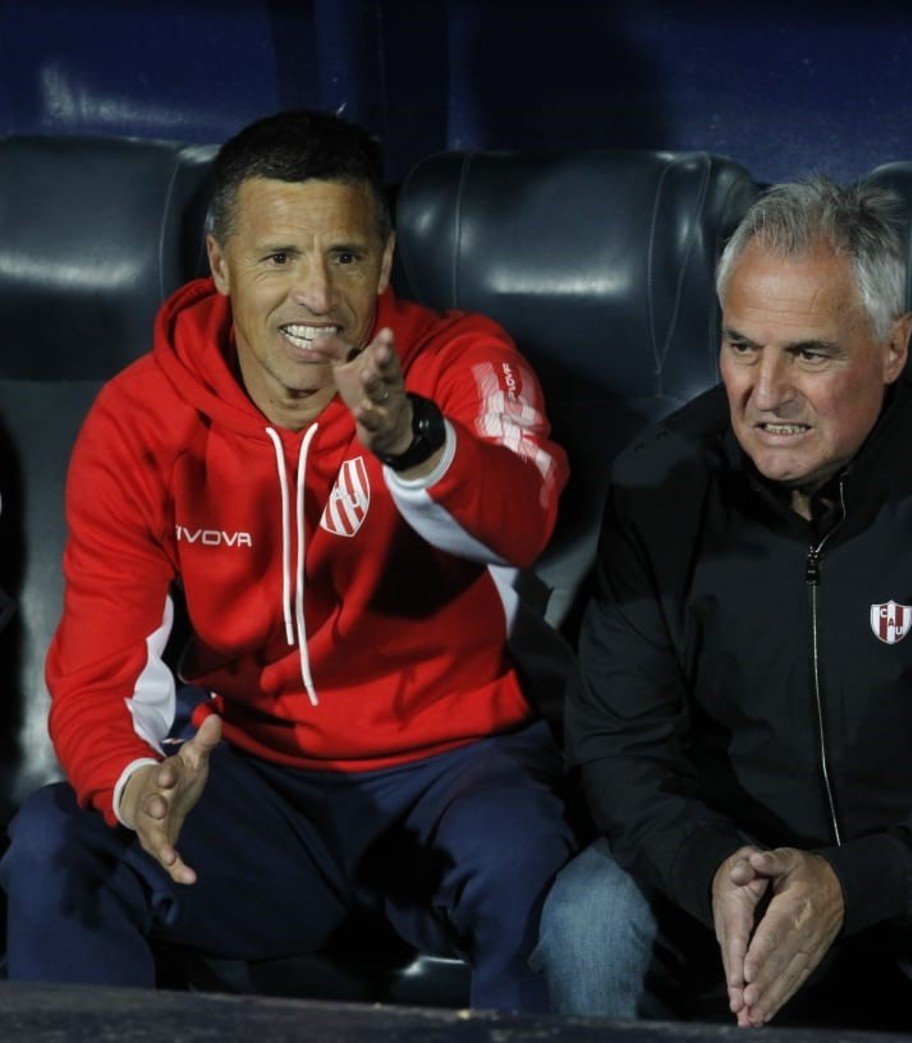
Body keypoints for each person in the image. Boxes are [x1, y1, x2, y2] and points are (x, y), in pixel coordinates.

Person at [0, 110, 575, 1012]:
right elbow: (100, 672)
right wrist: (134, 782)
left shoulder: (459, 360)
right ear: (220, 264)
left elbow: (525, 507)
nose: (318, 295)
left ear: (384, 262)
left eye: (345, 256)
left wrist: (416, 442)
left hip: (456, 772)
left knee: (538, 879)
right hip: (254, 782)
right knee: (55, 846)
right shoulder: (140, 414)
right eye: (278, 259)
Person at [532, 177, 912, 1040]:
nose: (764, 393)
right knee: (586, 923)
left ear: (892, 346)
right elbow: (615, 742)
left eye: (808, 353)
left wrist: (855, 881)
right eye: (740, 346)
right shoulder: (661, 481)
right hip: (732, 854)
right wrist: (708, 865)